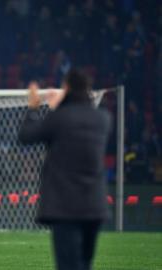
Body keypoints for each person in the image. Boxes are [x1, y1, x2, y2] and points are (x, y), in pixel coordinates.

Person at [18, 69, 111, 270]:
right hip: (93, 205)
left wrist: (34, 108)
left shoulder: (60, 117)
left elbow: (27, 136)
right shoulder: (103, 118)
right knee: (85, 264)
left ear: (67, 87)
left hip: (65, 205)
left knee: (67, 265)